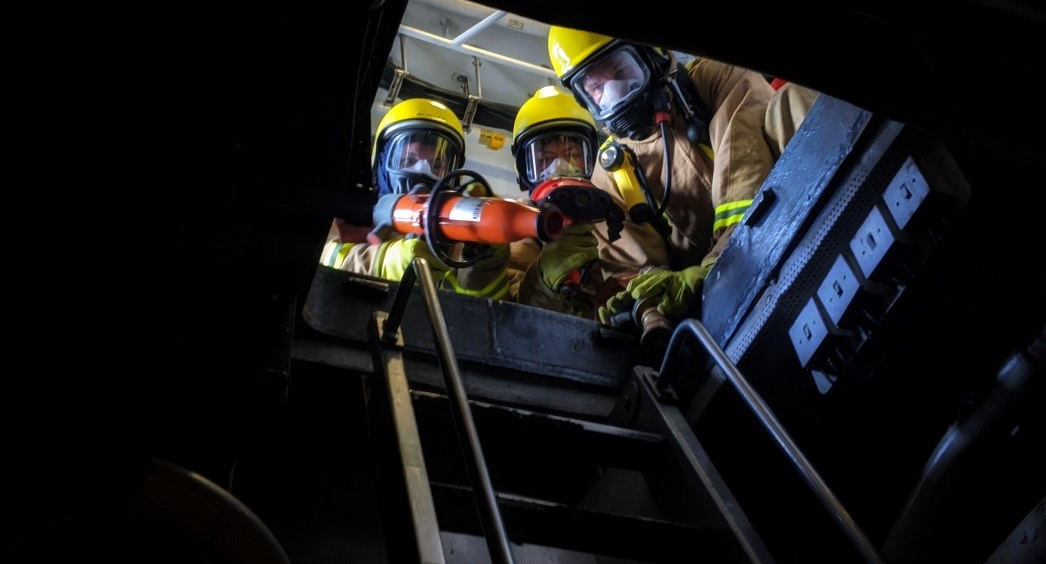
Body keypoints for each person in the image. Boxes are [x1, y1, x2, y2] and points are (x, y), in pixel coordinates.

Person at [547, 26, 777, 341]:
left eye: (619, 70)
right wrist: (652, 300)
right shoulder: (611, 176)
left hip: (780, 223)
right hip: (713, 305)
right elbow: (634, 275)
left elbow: (746, 183)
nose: (614, 94)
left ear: (652, 56)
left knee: (791, 103)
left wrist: (717, 269)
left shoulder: (718, 79)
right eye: (596, 87)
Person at [319, 98, 512, 299]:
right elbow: (321, 262)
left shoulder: (459, 243)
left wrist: (486, 265)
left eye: (436, 165)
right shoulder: (344, 218)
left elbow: (485, 316)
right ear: (381, 164)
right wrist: (387, 262)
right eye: (408, 160)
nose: (422, 172)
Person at [506, 86, 605, 318]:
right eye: (545, 159)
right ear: (524, 171)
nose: (560, 167)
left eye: (572, 154)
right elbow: (513, 322)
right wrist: (543, 279)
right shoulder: (516, 231)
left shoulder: (613, 219)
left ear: (591, 159)